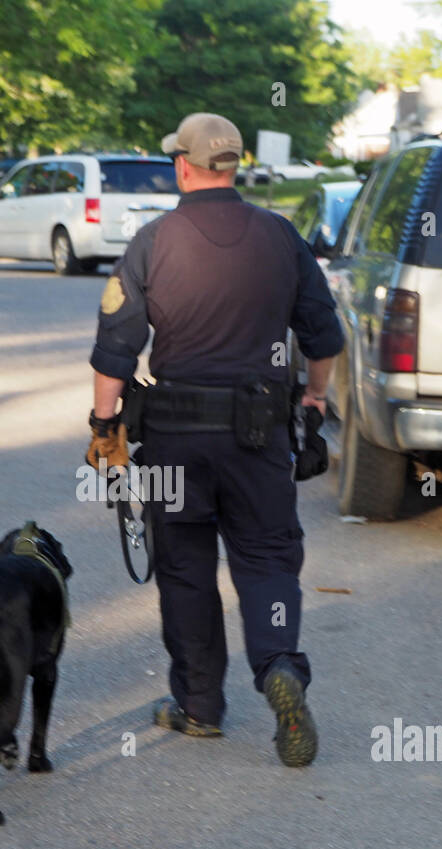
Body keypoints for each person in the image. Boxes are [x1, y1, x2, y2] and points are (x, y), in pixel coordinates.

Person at [84, 113, 344, 767]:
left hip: (173, 439)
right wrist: (314, 396)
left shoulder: (151, 242)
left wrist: (104, 426)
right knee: (266, 559)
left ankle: (200, 707)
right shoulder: (280, 237)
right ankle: (280, 663)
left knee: (185, 568)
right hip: (258, 436)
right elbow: (324, 338)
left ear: (183, 165)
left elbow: (116, 351)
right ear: (233, 165)